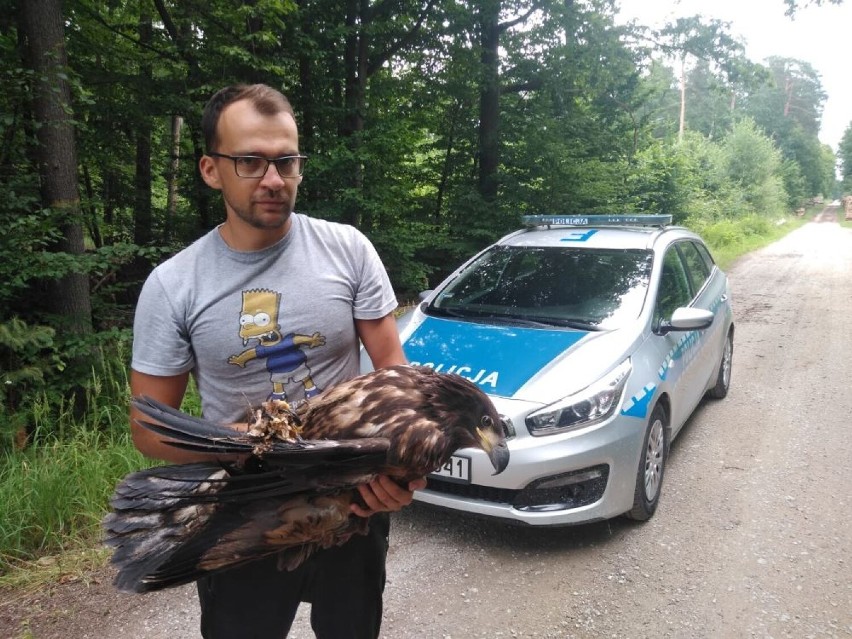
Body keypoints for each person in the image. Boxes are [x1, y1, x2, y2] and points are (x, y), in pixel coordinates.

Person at [129, 83, 425, 639]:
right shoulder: (174, 286)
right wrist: (242, 441)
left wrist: (398, 470)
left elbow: (393, 373)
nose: (272, 179)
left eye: (285, 160)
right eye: (249, 161)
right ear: (211, 170)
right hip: (246, 510)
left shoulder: (348, 249)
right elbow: (148, 430)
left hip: (352, 499)